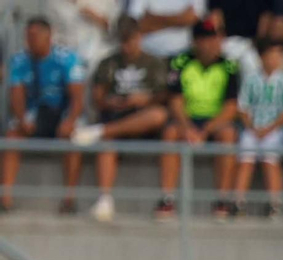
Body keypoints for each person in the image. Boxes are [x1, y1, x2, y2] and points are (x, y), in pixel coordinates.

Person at [75, 16, 172, 223]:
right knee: (107, 143)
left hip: (144, 121)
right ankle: (104, 200)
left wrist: (146, 99)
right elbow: (97, 98)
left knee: (159, 115)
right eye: (124, 40)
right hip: (116, 114)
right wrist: (112, 102)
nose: (128, 46)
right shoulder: (108, 62)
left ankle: (101, 131)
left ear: (139, 37)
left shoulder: (154, 63)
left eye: (131, 39)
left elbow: (165, 96)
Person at [155, 16, 240, 221]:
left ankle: (222, 199)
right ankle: (167, 198)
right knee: (170, 133)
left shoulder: (229, 66)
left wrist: (205, 130)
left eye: (214, 38)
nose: (212, 43)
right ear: (195, 41)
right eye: (206, 39)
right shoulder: (180, 62)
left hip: (215, 122)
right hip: (187, 119)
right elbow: (175, 101)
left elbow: (231, 107)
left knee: (229, 135)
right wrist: (188, 128)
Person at [2, 17, 87, 215]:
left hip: (62, 112)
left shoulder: (67, 59)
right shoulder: (20, 60)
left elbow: (77, 98)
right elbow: (16, 95)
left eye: (35, 36)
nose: (30, 41)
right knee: (12, 137)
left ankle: (69, 199)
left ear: (48, 36)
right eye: (28, 36)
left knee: (74, 139)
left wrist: (69, 121)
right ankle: (5, 198)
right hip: (35, 113)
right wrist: (22, 119)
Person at [234, 38, 283, 218]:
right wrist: (253, 128)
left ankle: (274, 203)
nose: (274, 59)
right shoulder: (251, 79)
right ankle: (238, 202)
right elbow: (242, 108)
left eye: (278, 55)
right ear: (261, 57)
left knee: (270, 156)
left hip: (276, 130)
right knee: (246, 155)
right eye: (270, 55)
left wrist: (269, 129)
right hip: (253, 129)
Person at [127, 0, 206, 61]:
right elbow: (137, 24)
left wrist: (152, 18)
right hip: (148, 55)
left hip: (182, 55)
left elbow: (192, 18)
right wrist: (180, 19)